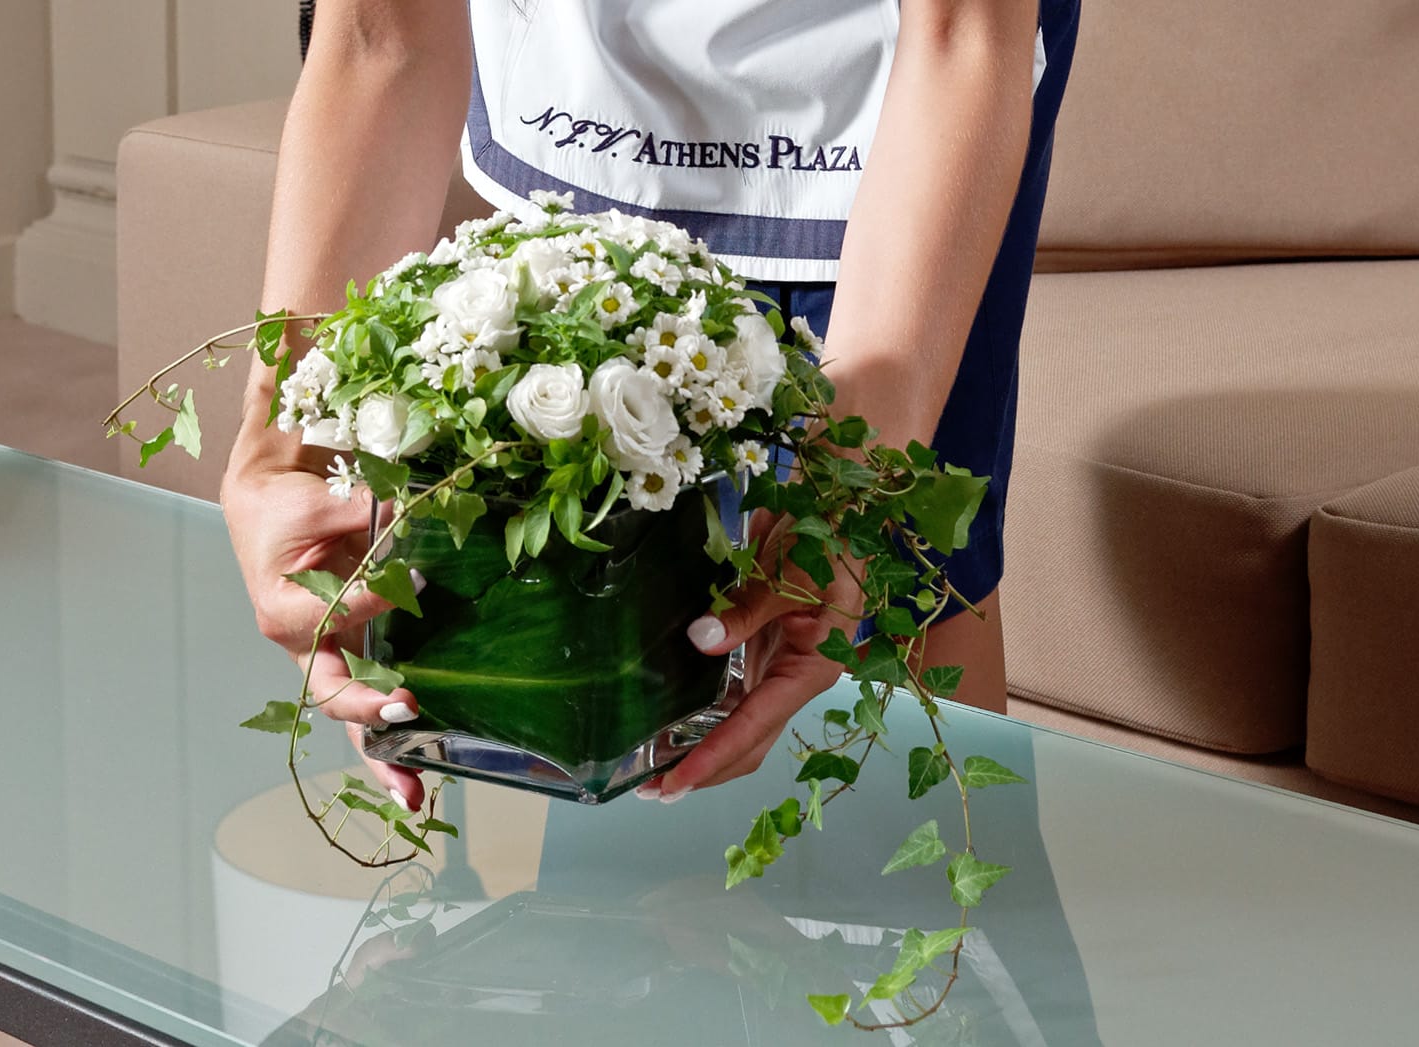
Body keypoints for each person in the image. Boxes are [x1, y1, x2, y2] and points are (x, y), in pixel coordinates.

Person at [224, 0, 1079, 811]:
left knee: (899, 584)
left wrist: (853, 485)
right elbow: (383, 36)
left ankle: (939, 934)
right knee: (596, 559)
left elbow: (962, 33)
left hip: (896, 61)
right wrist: (281, 438)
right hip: (595, 62)